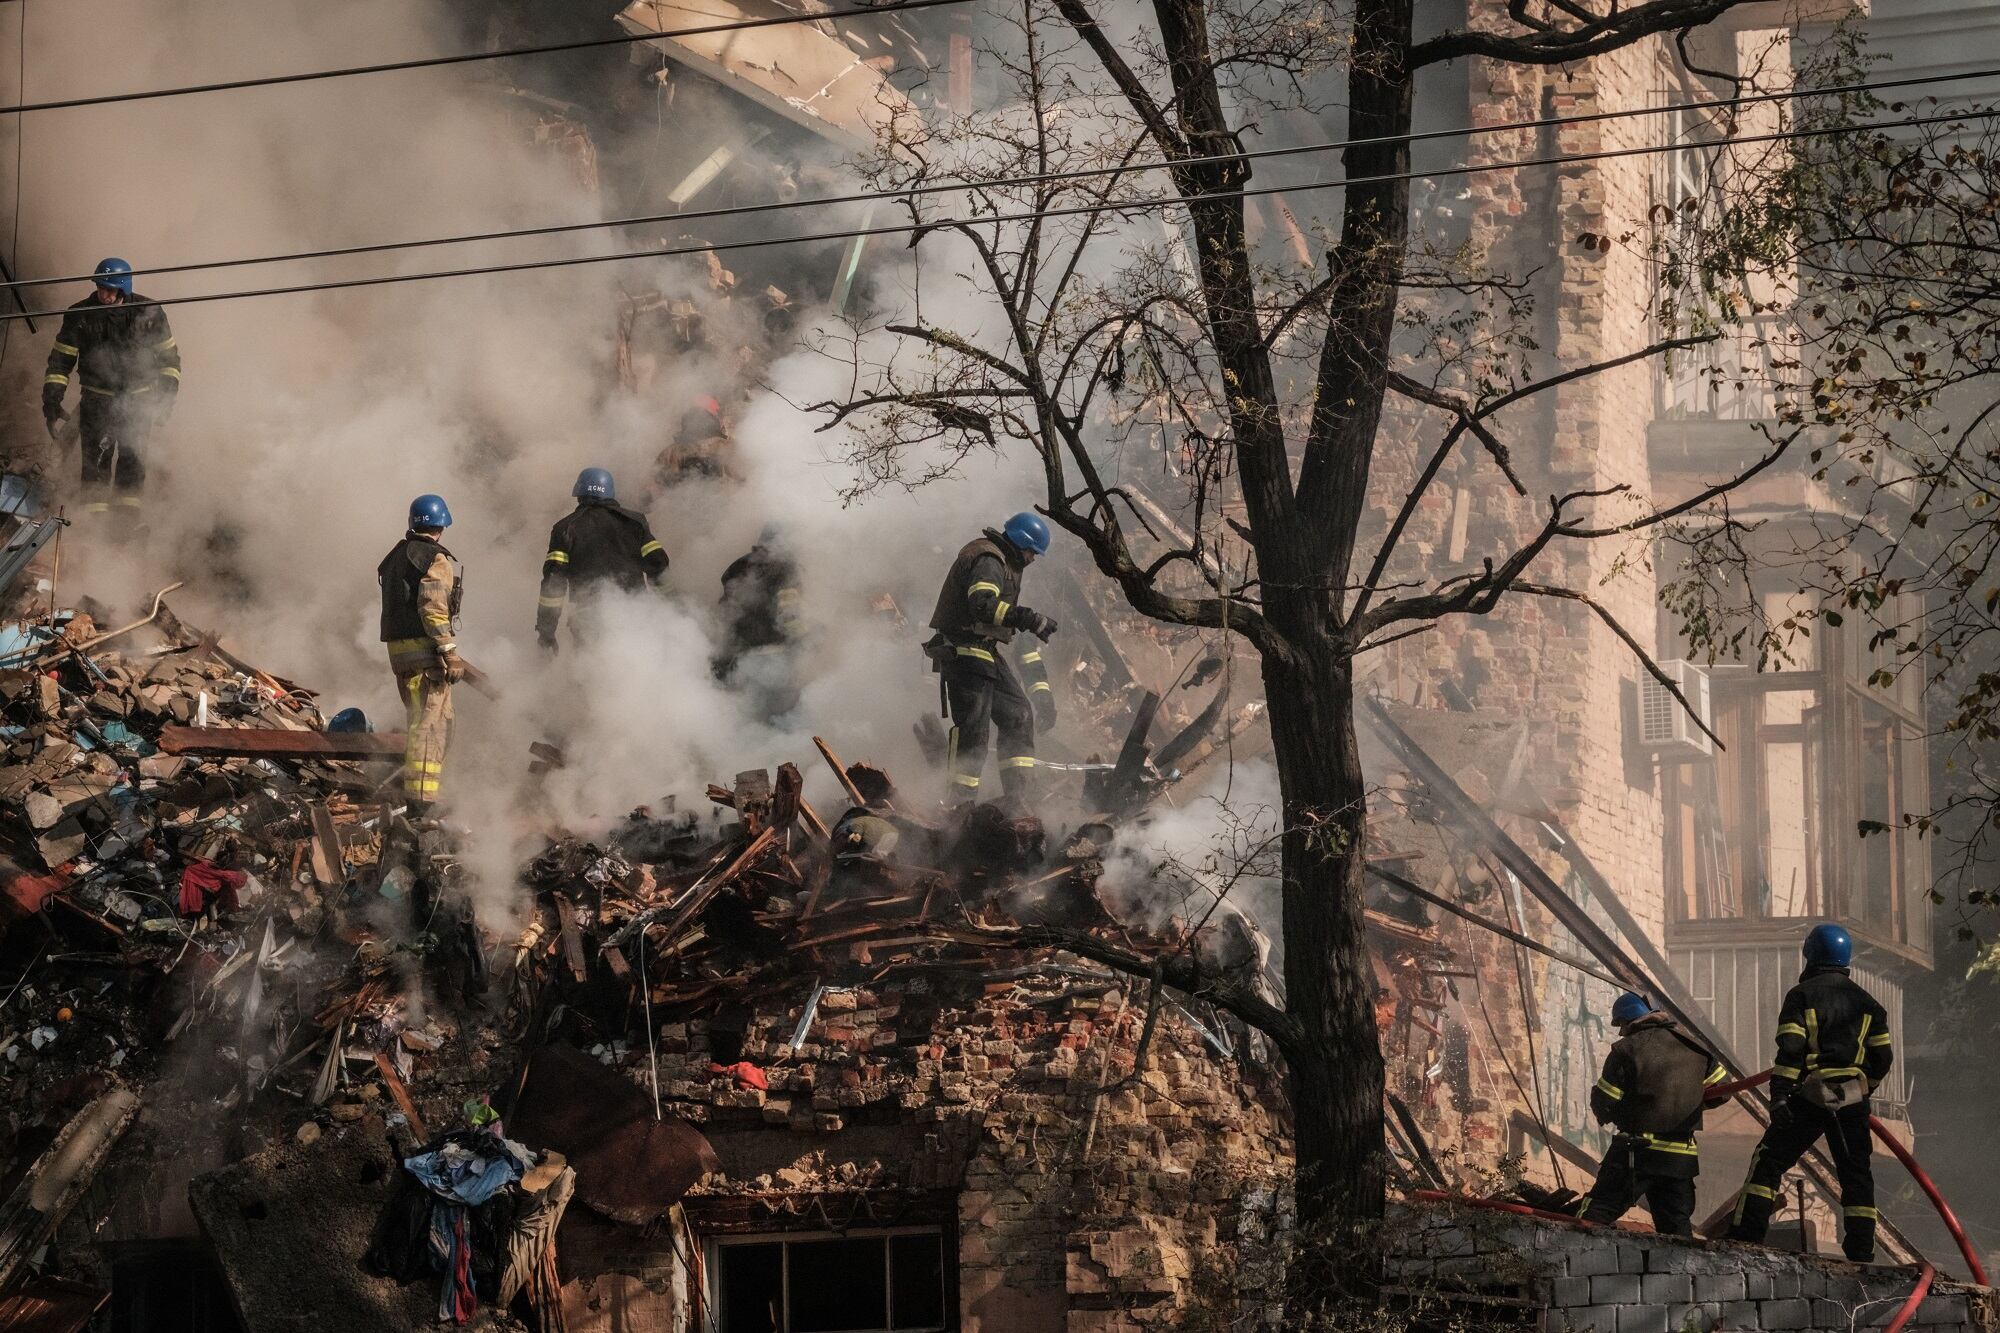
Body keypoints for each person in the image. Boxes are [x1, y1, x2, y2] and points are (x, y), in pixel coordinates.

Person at [1726, 923, 1893, 1262]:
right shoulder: (1868, 1003)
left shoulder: (1801, 996)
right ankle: (1861, 1251)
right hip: (1851, 1099)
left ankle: (1747, 1235)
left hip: (1811, 1095)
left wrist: (1781, 1095)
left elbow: (1791, 1049)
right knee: (1856, 1172)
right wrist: (1862, 1088)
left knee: (1769, 1160)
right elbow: (1883, 1057)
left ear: (1810, 955)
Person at [923, 511, 1059, 806]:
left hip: (984, 650)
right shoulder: (989, 559)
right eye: (1032, 552)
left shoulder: (1001, 561)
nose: (1033, 559)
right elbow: (982, 605)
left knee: (1019, 714)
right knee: (974, 730)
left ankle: (1018, 799)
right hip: (963, 648)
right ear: (1022, 542)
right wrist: (1027, 617)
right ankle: (959, 804)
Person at [1572, 991, 1727, 1236]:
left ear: (1627, 1020)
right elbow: (1721, 1092)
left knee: (1595, 1214)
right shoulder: (1696, 1047)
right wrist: (1689, 1103)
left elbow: (1604, 1100)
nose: (1621, 1032)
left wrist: (1617, 1113)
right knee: (1676, 1232)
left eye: (1621, 1025)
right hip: (1680, 1159)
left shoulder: (1626, 1050)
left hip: (1636, 1153)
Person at [42, 258, 181, 522]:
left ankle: (124, 530)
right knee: (94, 469)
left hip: (137, 404)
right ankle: (94, 534)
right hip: (96, 403)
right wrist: (51, 402)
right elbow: (60, 362)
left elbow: (169, 362)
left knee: (132, 465)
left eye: (109, 289)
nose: (103, 294)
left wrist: (164, 402)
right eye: (100, 287)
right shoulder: (79, 315)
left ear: (124, 289)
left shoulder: (148, 312)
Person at [379, 495, 465, 810]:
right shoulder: (435, 559)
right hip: (426, 658)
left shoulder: (395, 557)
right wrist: (449, 651)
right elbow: (432, 608)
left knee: (423, 721)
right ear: (441, 524)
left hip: (399, 655)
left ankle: (420, 797)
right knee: (430, 728)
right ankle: (421, 804)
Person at [536, 468, 669, 652]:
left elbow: (553, 583)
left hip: (588, 618)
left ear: (579, 495)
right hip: (635, 612)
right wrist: (669, 609)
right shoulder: (635, 522)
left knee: (592, 672)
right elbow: (658, 565)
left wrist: (546, 631)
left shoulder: (565, 528)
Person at [713, 527, 803, 717]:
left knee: (750, 717)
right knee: (782, 718)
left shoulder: (737, 567)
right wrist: (804, 637)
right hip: (775, 657)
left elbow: (725, 613)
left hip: (742, 657)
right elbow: (789, 614)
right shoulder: (786, 568)